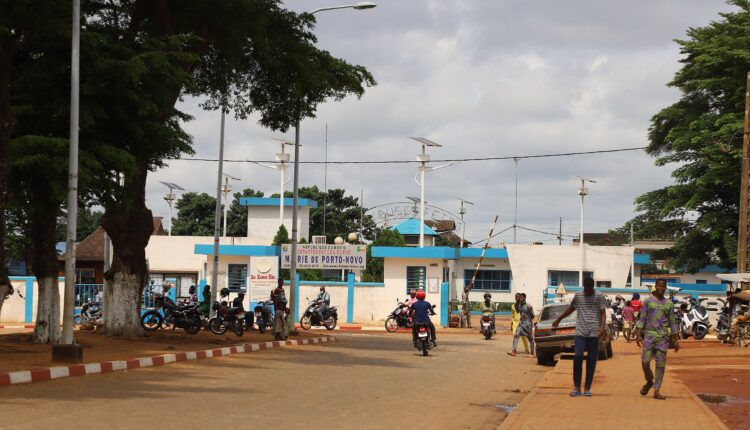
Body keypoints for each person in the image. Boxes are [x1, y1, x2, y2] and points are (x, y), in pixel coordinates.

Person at [552, 277, 606, 397]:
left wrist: (602, 328)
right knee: (577, 357)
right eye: (585, 289)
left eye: (589, 289)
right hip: (580, 331)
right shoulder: (578, 296)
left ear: (593, 287)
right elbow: (571, 308)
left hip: (594, 332)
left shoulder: (599, 296)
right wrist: (559, 319)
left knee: (591, 360)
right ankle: (577, 387)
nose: (587, 291)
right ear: (584, 287)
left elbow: (603, 313)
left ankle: (587, 388)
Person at [636, 278, 680, 400]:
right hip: (649, 336)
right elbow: (642, 318)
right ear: (655, 286)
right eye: (659, 286)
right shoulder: (648, 301)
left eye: (663, 286)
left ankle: (657, 390)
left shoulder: (669, 304)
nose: (661, 288)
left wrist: (676, 339)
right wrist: (638, 334)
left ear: (665, 288)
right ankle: (649, 380)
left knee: (660, 365)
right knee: (645, 361)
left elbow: (672, 322)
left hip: (663, 338)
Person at [508, 293, 535, 357]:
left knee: (530, 339)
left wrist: (528, 321)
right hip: (521, 323)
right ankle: (513, 351)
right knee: (516, 335)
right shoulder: (519, 305)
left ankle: (532, 353)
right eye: (519, 298)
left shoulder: (528, 306)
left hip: (527, 324)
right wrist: (517, 302)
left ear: (524, 298)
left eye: (521, 298)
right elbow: (517, 311)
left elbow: (533, 315)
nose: (520, 299)